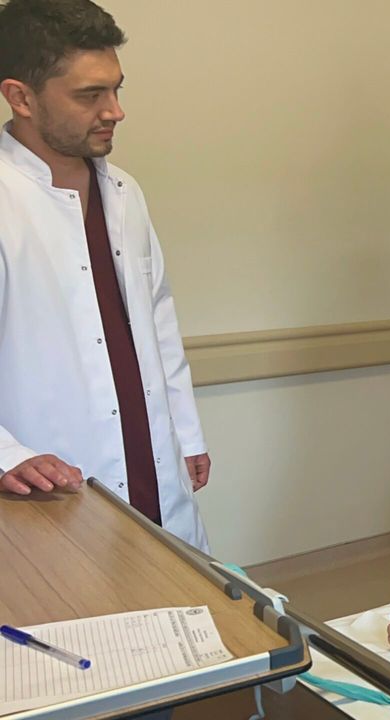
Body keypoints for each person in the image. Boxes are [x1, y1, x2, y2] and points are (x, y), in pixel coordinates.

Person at [0, 0, 211, 549]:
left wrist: (186, 432)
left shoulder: (124, 192)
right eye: (90, 95)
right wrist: (7, 455)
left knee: (178, 585)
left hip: (155, 465)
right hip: (47, 483)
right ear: (20, 97)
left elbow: (159, 318)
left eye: (116, 89)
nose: (115, 111)